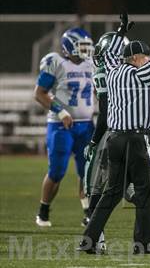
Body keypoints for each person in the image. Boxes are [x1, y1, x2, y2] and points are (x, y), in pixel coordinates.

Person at [78, 5, 150, 255]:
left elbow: (108, 56)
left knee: (110, 195)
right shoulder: (142, 75)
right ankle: (142, 245)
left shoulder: (112, 73)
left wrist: (120, 31)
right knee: (145, 195)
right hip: (137, 140)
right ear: (137, 58)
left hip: (115, 141)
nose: (149, 59)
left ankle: (88, 241)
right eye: (146, 56)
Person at [34, 27, 95, 227]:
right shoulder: (56, 62)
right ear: (69, 46)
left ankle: (88, 211)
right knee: (57, 171)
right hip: (61, 125)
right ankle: (43, 210)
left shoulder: (91, 64)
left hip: (86, 126)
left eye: (87, 45)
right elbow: (40, 93)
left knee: (87, 171)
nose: (86, 50)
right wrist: (61, 111)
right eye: (81, 46)